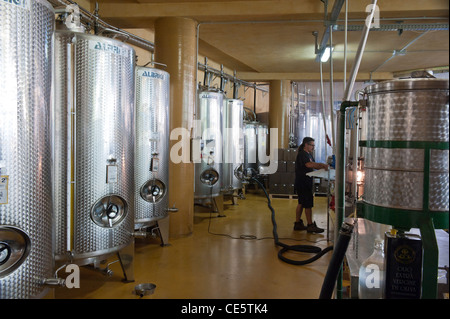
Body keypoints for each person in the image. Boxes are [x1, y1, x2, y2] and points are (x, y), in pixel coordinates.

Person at [294, 137, 328, 233]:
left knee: (301, 203)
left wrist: (322, 168)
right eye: (312, 145)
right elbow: (309, 165)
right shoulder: (302, 154)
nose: (313, 147)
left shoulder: (308, 154)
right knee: (308, 204)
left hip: (304, 182)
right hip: (303, 183)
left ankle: (298, 223)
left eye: (314, 145)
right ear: (306, 145)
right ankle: (310, 225)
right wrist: (322, 165)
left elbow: (312, 165)